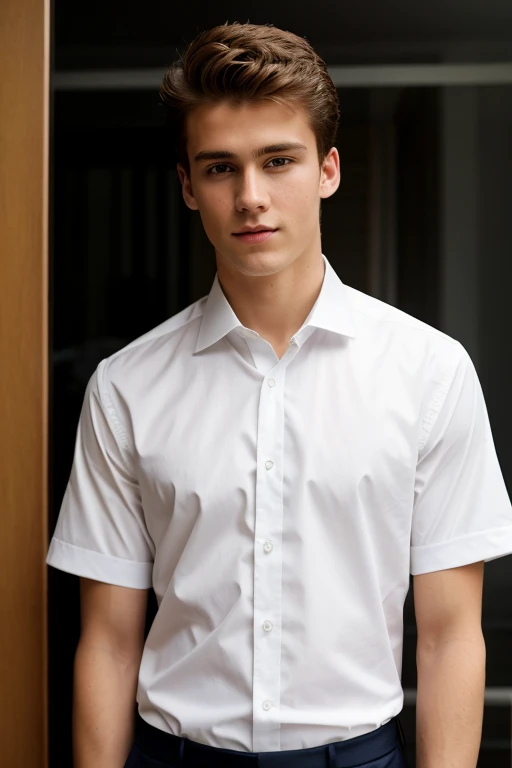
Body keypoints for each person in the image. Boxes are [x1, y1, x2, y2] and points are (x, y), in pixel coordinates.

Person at [46, 21, 512, 768]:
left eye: (278, 161)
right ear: (188, 187)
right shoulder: (125, 387)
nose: (252, 197)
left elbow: (451, 635)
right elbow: (105, 639)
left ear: (328, 169)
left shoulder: (430, 371)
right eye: (221, 168)